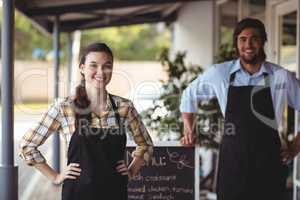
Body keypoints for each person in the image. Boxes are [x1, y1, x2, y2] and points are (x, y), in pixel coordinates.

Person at [180, 18, 300, 200]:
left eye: (254, 39)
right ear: (236, 43)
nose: (248, 45)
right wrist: (189, 129)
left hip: (269, 162)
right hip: (233, 162)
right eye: (242, 39)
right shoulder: (219, 73)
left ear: (263, 42)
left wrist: (295, 146)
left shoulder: (280, 76)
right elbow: (189, 95)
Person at [19, 42, 153, 200]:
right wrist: (55, 177)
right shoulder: (64, 107)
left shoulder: (125, 107)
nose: (101, 72)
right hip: (77, 193)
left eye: (106, 66)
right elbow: (27, 145)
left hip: (114, 192)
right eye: (93, 65)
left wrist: (130, 172)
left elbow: (145, 144)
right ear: (82, 68)